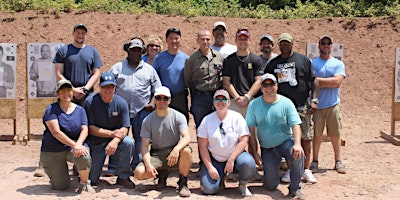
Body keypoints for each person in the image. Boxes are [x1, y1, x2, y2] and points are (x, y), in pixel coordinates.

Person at [265, 33, 318, 184]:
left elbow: (314, 81)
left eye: (287, 43)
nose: (284, 46)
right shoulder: (273, 64)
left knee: (305, 138)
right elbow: (267, 85)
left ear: (292, 44)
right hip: (282, 108)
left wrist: (314, 99)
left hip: (301, 106)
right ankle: (291, 169)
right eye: (282, 43)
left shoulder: (303, 60)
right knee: (287, 139)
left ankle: (306, 169)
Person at [246, 73, 305, 200]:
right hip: (268, 148)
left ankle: (295, 188)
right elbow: (250, 131)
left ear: (276, 86)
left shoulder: (287, 103)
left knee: (299, 155)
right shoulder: (253, 105)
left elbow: (296, 125)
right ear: (261, 88)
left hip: (285, 143)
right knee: (270, 186)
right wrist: (255, 153)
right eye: (265, 85)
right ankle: (272, 175)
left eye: (271, 84)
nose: (269, 88)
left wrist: (297, 144)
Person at [109, 37, 162, 174]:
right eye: (132, 50)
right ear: (127, 51)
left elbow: (158, 89)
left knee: (141, 138)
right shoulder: (117, 68)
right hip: (121, 111)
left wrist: (152, 104)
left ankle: (137, 165)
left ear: (142, 52)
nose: (135, 53)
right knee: (118, 136)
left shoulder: (149, 70)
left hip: (141, 110)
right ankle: (114, 166)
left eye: (138, 50)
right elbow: (107, 86)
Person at [134, 86, 192, 197]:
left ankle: (183, 182)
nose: (162, 101)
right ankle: (161, 174)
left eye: (165, 98)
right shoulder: (147, 120)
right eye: (159, 98)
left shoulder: (179, 116)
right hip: (157, 154)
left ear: (170, 100)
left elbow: (187, 137)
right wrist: (148, 165)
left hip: (174, 152)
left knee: (187, 151)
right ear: (154, 100)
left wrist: (176, 149)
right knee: (139, 173)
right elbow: (145, 146)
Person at [222, 28, 263, 181]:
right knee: (233, 136)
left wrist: (247, 96)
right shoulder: (229, 60)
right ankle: (234, 169)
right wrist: (237, 97)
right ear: (236, 40)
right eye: (240, 38)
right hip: (233, 102)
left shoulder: (255, 59)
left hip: (251, 102)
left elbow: (258, 81)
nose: (243, 41)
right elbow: (226, 82)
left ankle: (252, 169)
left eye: (245, 38)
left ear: (249, 40)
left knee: (252, 136)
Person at [39, 79, 94, 193]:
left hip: (71, 149)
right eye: (62, 91)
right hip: (52, 151)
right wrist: (75, 145)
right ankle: (55, 174)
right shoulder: (51, 109)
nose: (66, 93)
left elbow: (85, 129)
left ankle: (84, 183)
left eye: (68, 90)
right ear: (57, 94)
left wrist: (78, 145)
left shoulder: (80, 110)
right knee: (61, 186)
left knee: (84, 155)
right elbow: (56, 132)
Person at [197, 89, 256, 197]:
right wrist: (210, 167)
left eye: (224, 99)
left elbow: (244, 140)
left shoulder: (237, 117)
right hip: (215, 159)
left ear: (229, 102)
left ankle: (243, 185)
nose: (220, 102)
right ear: (213, 103)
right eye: (217, 99)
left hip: (235, 157)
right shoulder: (207, 120)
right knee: (208, 190)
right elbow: (202, 146)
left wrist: (231, 159)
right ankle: (220, 179)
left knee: (248, 163)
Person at [83, 72, 135, 189]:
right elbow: (90, 128)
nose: (108, 90)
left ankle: (123, 177)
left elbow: (125, 127)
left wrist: (115, 140)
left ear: (115, 87)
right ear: (99, 87)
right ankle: (80, 168)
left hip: (114, 140)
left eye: (111, 87)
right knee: (92, 180)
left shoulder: (121, 103)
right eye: (105, 87)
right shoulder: (90, 102)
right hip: (96, 142)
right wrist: (111, 134)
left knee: (129, 142)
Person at [311, 35, 347, 174]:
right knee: (316, 135)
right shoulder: (313, 63)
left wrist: (318, 81)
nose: (326, 45)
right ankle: (315, 161)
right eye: (323, 43)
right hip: (317, 105)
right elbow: (310, 82)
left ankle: (338, 161)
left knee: (335, 134)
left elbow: (337, 82)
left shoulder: (338, 64)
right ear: (319, 46)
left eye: (328, 43)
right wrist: (329, 81)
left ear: (331, 46)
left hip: (333, 104)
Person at [183, 29, 224, 128]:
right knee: (201, 127)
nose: (205, 42)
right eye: (202, 39)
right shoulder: (191, 59)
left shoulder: (219, 57)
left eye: (207, 39)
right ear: (198, 41)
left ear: (211, 40)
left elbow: (222, 76)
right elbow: (187, 79)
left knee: (217, 126)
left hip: (216, 97)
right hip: (199, 97)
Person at [54, 23, 102, 106]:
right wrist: (72, 90)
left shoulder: (93, 51)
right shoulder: (63, 51)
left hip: (87, 94)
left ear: (86, 35)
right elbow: (58, 74)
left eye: (83, 33)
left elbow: (96, 73)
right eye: (78, 32)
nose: (80, 35)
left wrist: (85, 89)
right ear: (73, 33)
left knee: (89, 118)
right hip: (67, 93)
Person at [152, 27, 189, 122]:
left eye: (176, 38)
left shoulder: (186, 59)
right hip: (163, 97)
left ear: (180, 40)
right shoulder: (159, 58)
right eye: (171, 38)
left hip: (180, 97)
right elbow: (154, 78)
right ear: (166, 40)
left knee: (181, 123)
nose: (174, 41)